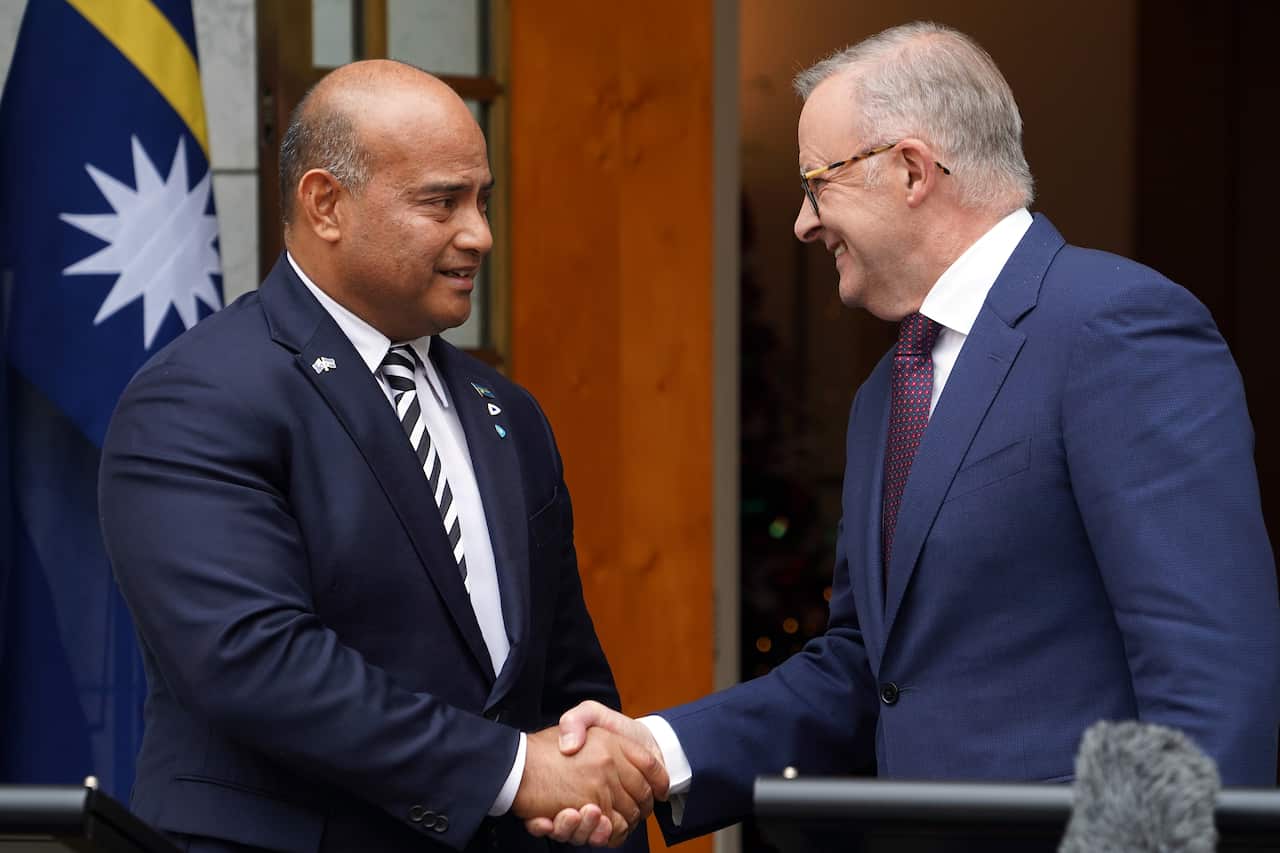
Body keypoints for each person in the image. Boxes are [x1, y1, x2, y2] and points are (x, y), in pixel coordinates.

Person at [530, 20, 1280, 846]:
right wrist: (656, 750)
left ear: (913, 170)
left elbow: (1208, 680)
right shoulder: (887, 390)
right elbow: (865, 667)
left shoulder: (1115, 326)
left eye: (818, 182)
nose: (804, 224)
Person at [99, 60, 663, 853]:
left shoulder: (508, 413)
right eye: (442, 201)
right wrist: (511, 769)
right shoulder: (197, 398)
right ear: (325, 204)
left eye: (483, 200)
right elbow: (255, 662)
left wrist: (599, 803)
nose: (480, 234)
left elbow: (564, 682)